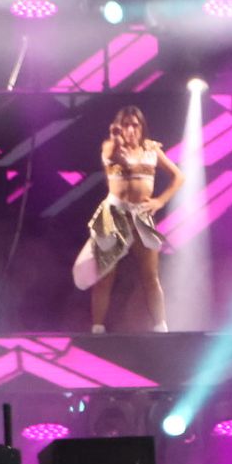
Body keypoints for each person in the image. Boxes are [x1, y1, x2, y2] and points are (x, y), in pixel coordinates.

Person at [73, 106, 182, 333]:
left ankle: (161, 328)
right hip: (114, 214)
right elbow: (114, 155)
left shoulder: (152, 150)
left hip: (141, 215)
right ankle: (97, 329)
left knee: (150, 277)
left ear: (142, 127)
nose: (131, 129)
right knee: (105, 277)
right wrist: (115, 137)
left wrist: (160, 201)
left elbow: (178, 176)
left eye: (135, 125)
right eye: (126, 125)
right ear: (119, 128)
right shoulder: (111, 146)